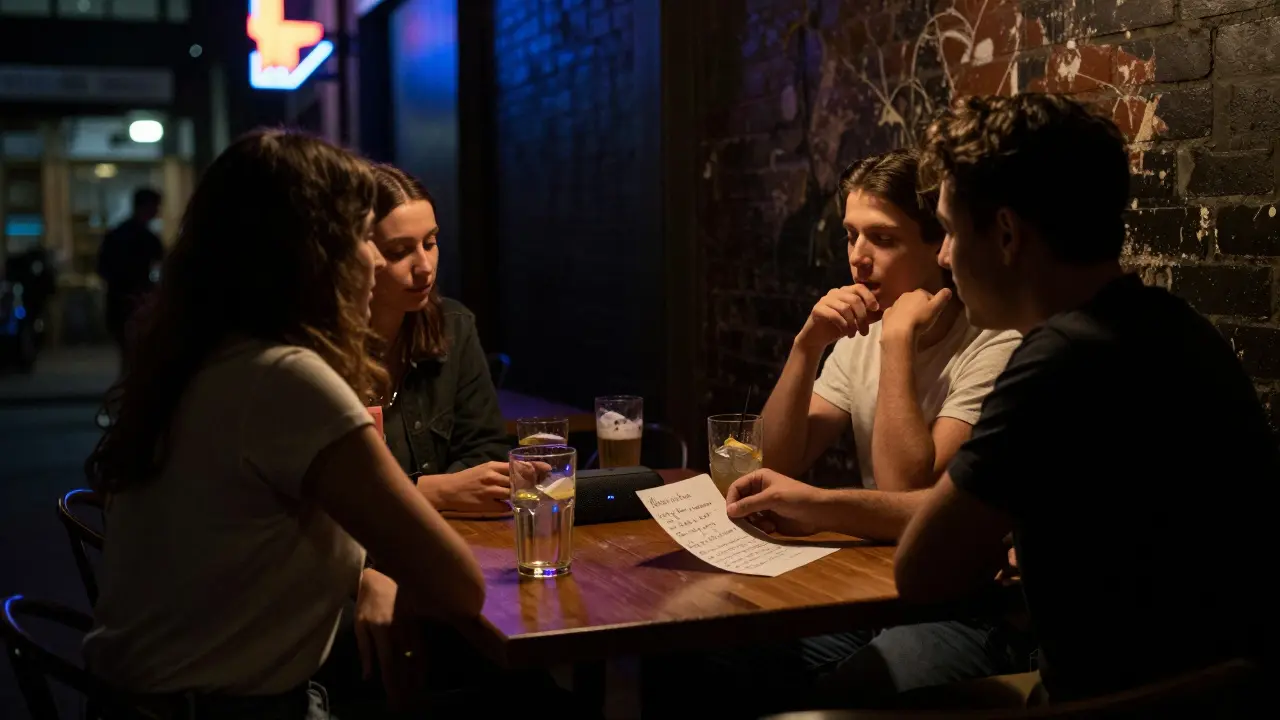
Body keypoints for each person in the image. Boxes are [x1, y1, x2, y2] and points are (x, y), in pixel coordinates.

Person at [83, 130, 485, 720]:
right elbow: (460, 585)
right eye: (357, 234)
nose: (375, 258)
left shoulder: (201, 357)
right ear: (308, 253)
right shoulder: (286, 380)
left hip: (141, 699)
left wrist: (372, 566)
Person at [892, 93, 1276, 704]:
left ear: (1006, 233)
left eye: (946, 229)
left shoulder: (1053, 360)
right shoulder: (1181, 328)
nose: (942, 256)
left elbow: (920, 574)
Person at [646, 151, 1027, 717]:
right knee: (683, 650)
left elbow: (912, 499)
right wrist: (808, 344)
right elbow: (773, 461)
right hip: (875, 592)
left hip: (965, 606)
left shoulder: (993, 343)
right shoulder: (857, 336)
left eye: (883, 239)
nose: (857, 258)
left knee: (844, 695)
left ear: (937, 246)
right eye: (851, 236)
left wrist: (898, 344)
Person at [365, 164, 510, 512]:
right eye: (400, 252)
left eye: (430, 243)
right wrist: (434, 491)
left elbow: (486, 452)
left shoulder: (452, 325)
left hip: (449, 536)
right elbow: (328, 497)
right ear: (358, 255)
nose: (425, 266)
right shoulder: (321, 349)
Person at [98, 187, 164, 367]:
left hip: (117, 300)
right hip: (140, 301)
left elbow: (102, 269)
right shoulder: (149, 239)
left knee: (127, 354)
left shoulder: (116, 234)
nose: (158, 212)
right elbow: (160, 269)